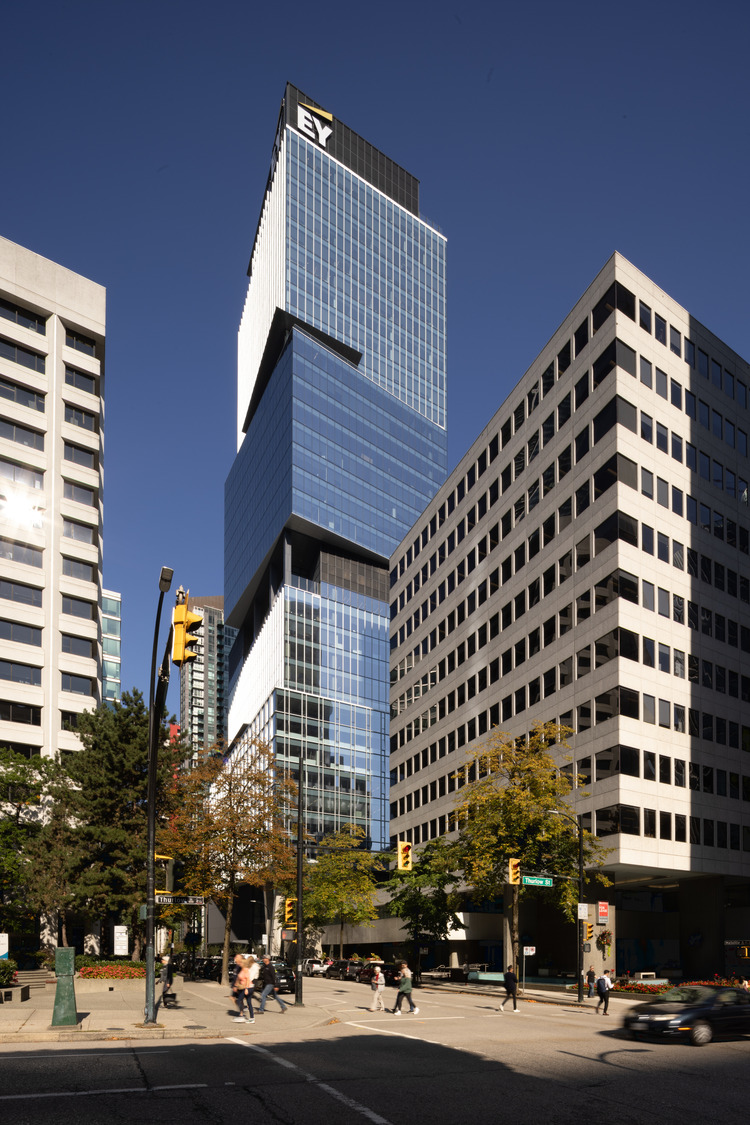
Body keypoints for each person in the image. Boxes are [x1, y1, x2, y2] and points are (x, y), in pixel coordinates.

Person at [232, 955, 255, 1023]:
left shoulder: (245, 970)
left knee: (240, 1000)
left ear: (243, 964)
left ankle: (245, 1014)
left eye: (241, 963)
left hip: (248, 987)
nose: (240, 964)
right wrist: (235, 985)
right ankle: (251, 1017)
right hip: (244, 987)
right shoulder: (241, 970)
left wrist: (246, 989)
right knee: (248, 1002)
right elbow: (238, 978)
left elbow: (248, 979)